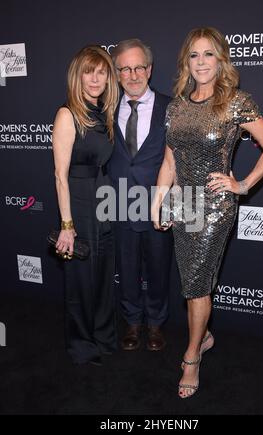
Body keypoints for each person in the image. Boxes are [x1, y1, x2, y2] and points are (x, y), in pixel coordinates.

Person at [151, 27, 263, 398]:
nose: (201, 62)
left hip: (214, 207)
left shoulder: (236, 101)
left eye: (209, 54)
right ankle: (204, 335)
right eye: (194, 55)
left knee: (195, 285)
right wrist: (156, 202)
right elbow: (169, 162)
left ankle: (192, 356)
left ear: (221, 59)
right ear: (186, 63)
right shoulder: (176, 106)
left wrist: (241, 185)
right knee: (193, 285)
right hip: (183, 203)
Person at [52, 45, 119, 366]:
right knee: (81, 278)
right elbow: (60, 175)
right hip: (78, 199)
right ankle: (81, 344)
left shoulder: (103, 111)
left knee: (104, 276)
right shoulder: (68, 114)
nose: (95, 79)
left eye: (102, 72)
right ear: (77, 76)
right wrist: (67, 224)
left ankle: (105, 337)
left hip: (103, 197)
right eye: (88, 72)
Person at [108, 39, 174, 351]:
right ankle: (132, 322)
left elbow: (179, 160)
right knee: (127, 266)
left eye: (138, 67)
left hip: (159, 203)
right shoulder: (105, 110)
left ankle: (157, 324)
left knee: (159, 267)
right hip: (118, 201)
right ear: (117, 73)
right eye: (125, 69)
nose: (133, 75)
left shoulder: (171, 106)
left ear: (148, 69)